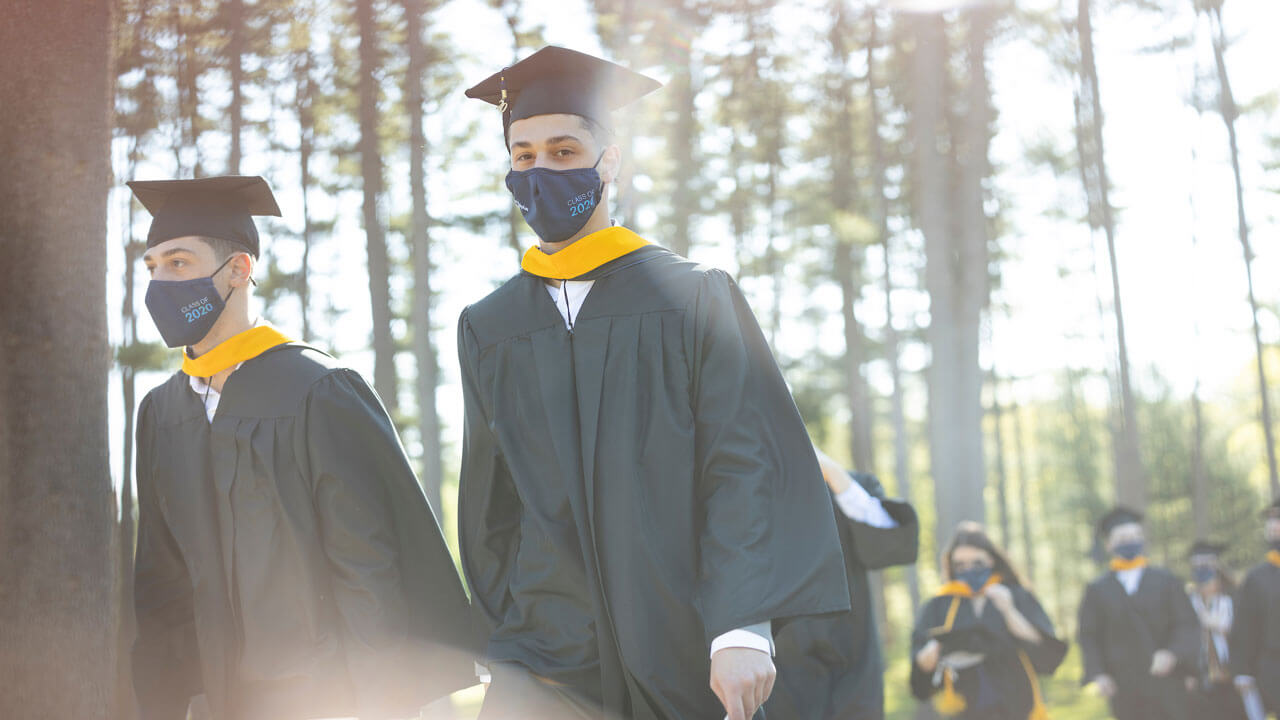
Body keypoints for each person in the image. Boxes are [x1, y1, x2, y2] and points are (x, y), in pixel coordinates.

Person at [456, 47, 851, 720]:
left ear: (609, 162)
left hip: (681, 641)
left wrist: (741, 623)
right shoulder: (490, 326)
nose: (541, 170)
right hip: (544, 654)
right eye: (523, 156)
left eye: (563, 150)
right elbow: (490, 505)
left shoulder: (691, 297)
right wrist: (504, 634)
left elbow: (742, 463)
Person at [127, 176, 477, 720]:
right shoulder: (162, 412)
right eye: (152, 267)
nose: (159, 282)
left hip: (322, 697)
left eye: (179, 262)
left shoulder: (315, 387)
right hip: (217, 702)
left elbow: (366, 567)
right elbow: (161, 578)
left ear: (239, 269)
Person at [766, 447, 919, 720]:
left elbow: (890, 546)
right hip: (781, 662)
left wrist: (835, 476)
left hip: (852, 658)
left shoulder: (850, 488)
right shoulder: (753, 491)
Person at [908, 522, 1066, 720]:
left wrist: (1009, 612)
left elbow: (1049, 655)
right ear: (951, 566)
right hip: (962, 709)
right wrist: (929, 655)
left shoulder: (1016, 595)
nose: (969, 570)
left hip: (1015, 706)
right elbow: (919, 680)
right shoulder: (939, 605)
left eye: (977, 563)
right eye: (961, 565)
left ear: (991, 560)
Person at [1077, 506, 1200, 720]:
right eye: (1123, 538)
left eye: (1136, 536)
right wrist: (1099, 673)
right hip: (1124, 686)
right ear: (1109, 544)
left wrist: (1173, 653)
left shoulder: (1166, 580)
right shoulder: (1097, 589)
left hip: (1168, 682)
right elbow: (1088, 635)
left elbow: (1187, 623)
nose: (1130, 542)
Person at [1184, 540, 1247, 720]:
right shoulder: (1186, 601)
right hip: (1201, 680)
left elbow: (1248, 637)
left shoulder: (1235, 598)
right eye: (1196, 565)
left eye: (1207, 564)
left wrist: (1217, 625)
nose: (1202, 569)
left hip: (1234, 678)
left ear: (1218, 566)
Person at [1229, 498, 1280, 719]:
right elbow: (1244, 628)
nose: (1273, 526)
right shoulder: (1257, 578)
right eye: (1270, 521)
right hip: (1274, 668)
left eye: (1277, 520)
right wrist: (1242, 671)